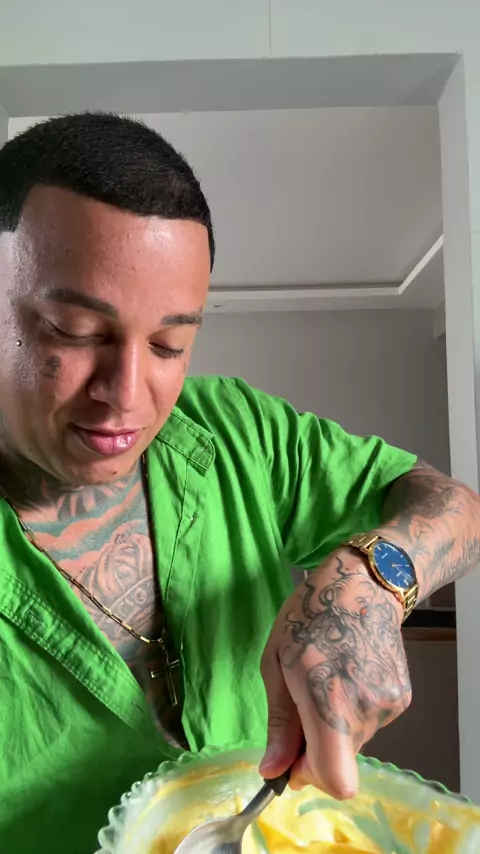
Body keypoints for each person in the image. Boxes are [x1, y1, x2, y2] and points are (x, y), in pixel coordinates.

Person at [0, 113, 478, 854]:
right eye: (76, 332)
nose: (127, 393)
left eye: (169, 344)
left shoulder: (237, 430)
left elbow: (456, 508)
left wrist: (373, 581)